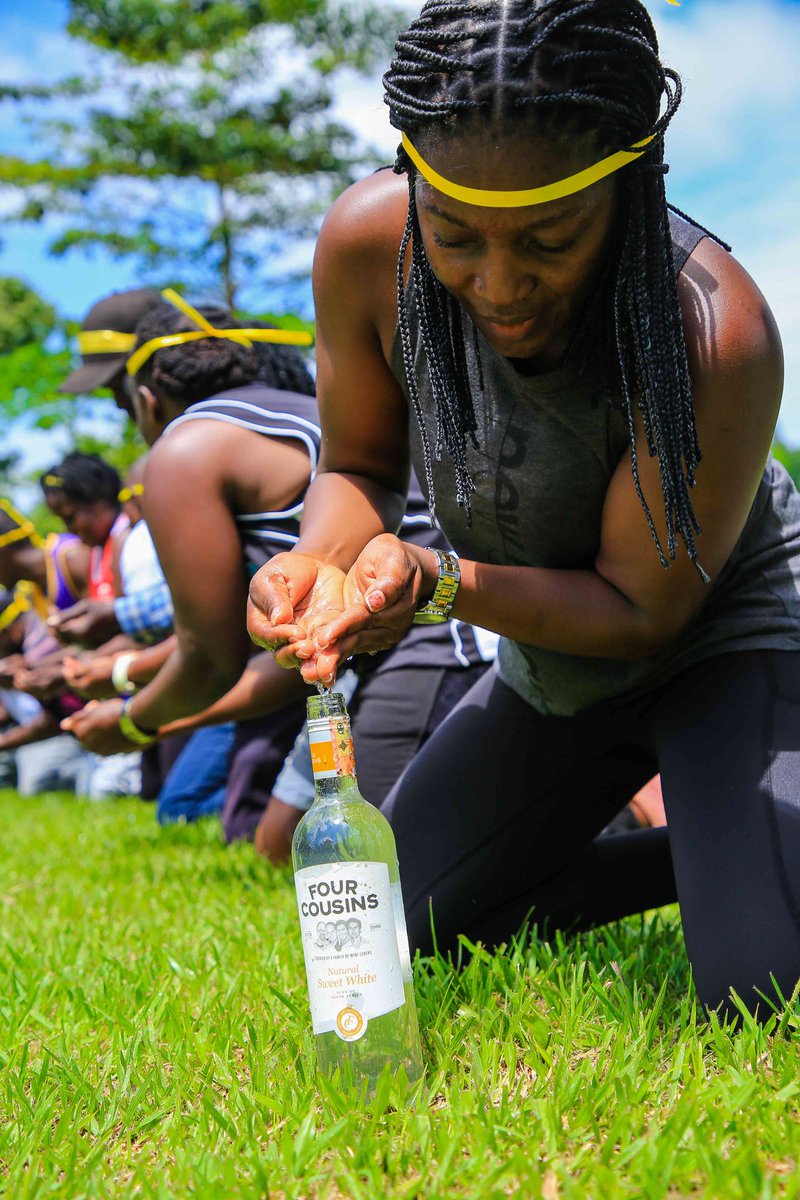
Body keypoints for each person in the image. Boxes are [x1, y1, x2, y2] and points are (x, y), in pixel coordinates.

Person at [248, 0, 800, 1019]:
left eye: (548, 239)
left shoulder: (714, 329)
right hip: (553, 665)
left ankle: (755, 852)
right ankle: (725, 853)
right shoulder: (369, 247)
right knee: (394, 932)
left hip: (721, 637)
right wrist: (316, 563)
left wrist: (438, 582)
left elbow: (642, 610)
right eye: (454, 236)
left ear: (629, 190)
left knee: (758, 991)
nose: (497, 286)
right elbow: (359, 468)